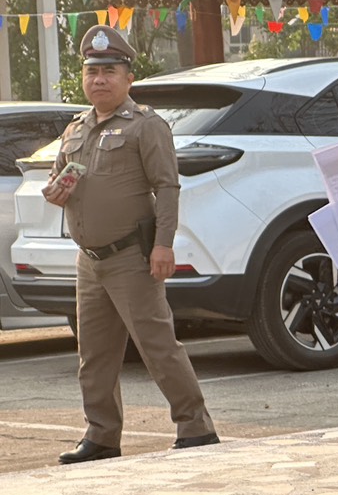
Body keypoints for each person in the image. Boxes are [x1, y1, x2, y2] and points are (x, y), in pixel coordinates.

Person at [46, 24, 218, 464]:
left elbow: (167, 187)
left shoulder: (145, 125)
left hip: (131, 257)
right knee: (94, 355)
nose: (99, 79)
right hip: (90, 260)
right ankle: (102, 436)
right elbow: (58, 178)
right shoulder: (76, 128)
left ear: (128, 78)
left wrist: (163, 245)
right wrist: (55, 190)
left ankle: (195, 427)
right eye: (92, 71)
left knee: (157, 345)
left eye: (109, 71)